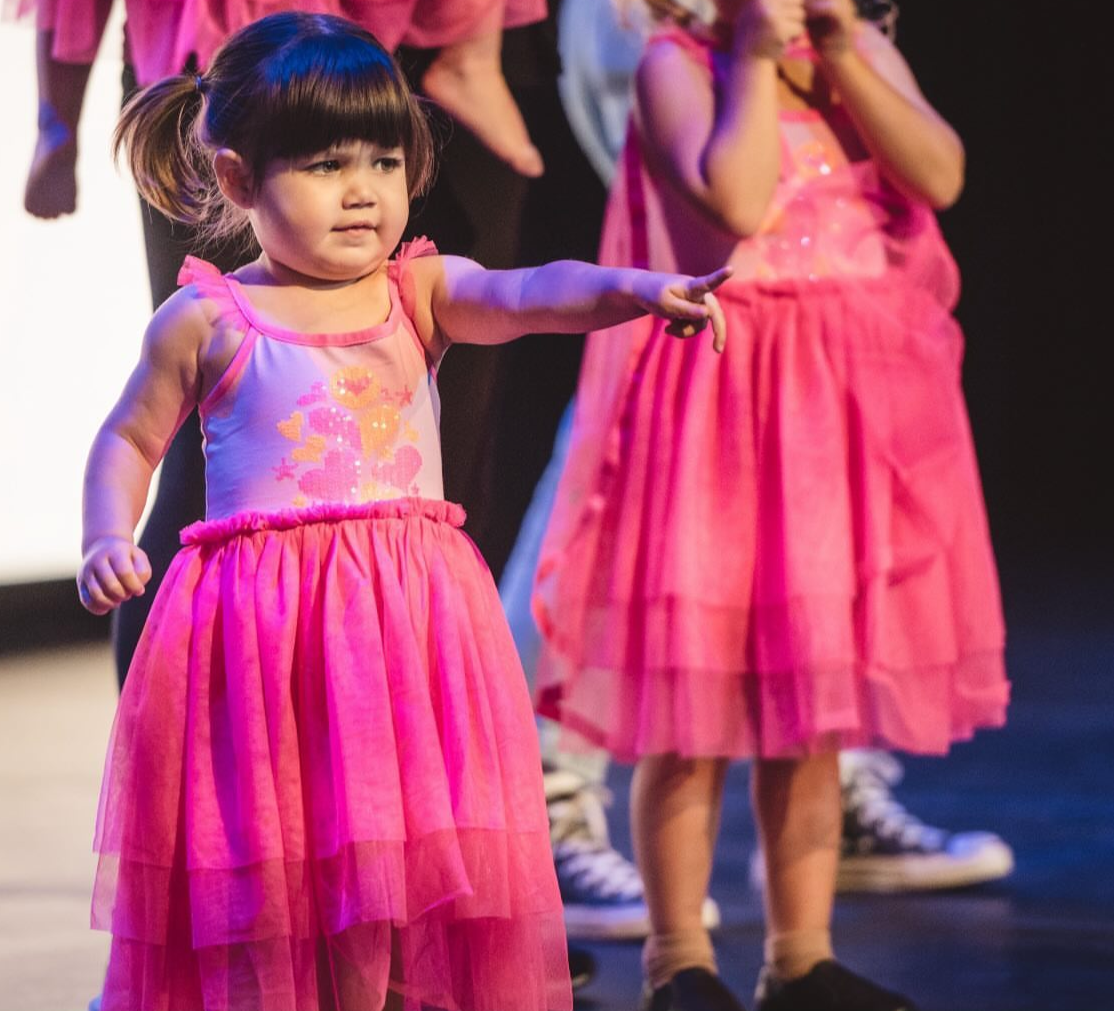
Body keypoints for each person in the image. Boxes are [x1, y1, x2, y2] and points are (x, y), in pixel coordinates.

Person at [74, 12, 728, 1009]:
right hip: (267, 639)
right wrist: (106, 535)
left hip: (406, 631)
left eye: (384, 161)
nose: (363, 192)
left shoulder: (414, 292)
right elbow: (129, 439)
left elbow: (529, 293)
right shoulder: (208, 318)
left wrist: (633, 288)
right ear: (242, 180)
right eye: (328, 165)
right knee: (292, 855)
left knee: (399, 844)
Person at [531, 1, 1009, 1008]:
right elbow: (735, 207)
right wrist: (749, 58)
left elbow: (940, 175)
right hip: (720, 402)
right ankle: (677, 963)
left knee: (812, 707)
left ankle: (799, 958)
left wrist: (841, 52)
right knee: (692, 706)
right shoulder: (676, 65)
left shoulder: (854, 53)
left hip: (841, 416)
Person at [15, 0, 544, 223]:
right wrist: (55, 126)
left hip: (347, 50)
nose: (361, 192)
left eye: (385, 165)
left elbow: (510, 297)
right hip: (216, 65)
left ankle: (471, 54)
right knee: (213, 371)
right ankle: (470, 55)